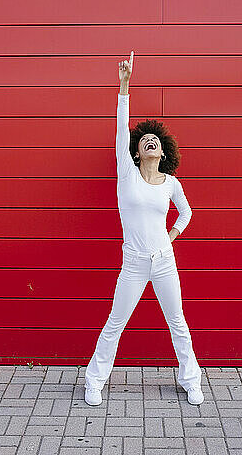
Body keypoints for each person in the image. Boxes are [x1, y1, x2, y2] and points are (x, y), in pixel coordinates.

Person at [84, 51, 204, 407]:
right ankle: (94, 381)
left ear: (163, 153)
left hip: (164, 260)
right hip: (134, 263)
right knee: (114, 323)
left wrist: (171, 237)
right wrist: (124, 87)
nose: (150, 141)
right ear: (136, 153)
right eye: (144, 141)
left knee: (177, 323)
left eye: (156, 141)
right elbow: (122, 129)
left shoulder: (171, 184)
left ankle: (191, 380)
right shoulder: (127, 177)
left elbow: (186, 213)